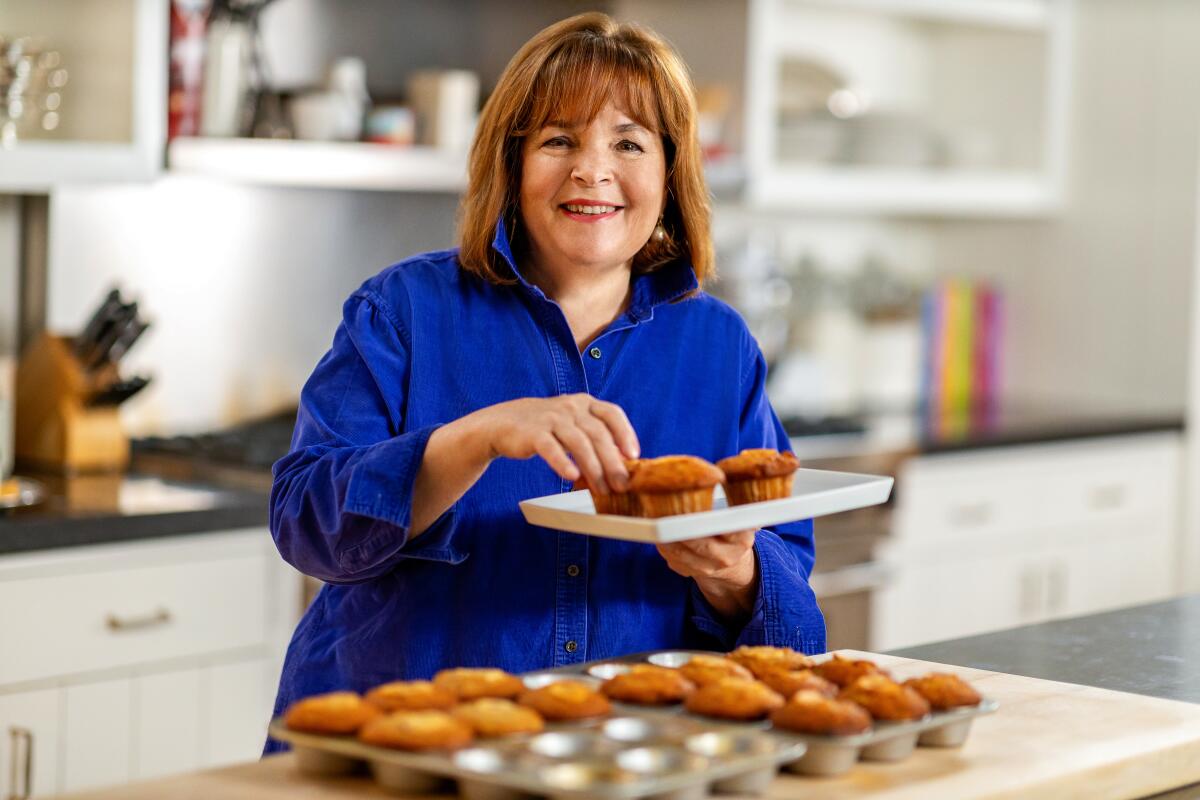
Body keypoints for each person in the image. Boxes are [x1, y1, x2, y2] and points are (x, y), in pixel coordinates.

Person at [265, 11, 824, 751]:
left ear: (670, 170)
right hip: (400, 755)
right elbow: (306, 528)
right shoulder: (401, 311)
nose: (592, 170)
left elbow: (797, 630)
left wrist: (736, 573)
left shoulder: (718, 345)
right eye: (559, 140)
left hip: (620, 757)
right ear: (512, 161)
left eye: (628, 143)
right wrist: (475, 439)